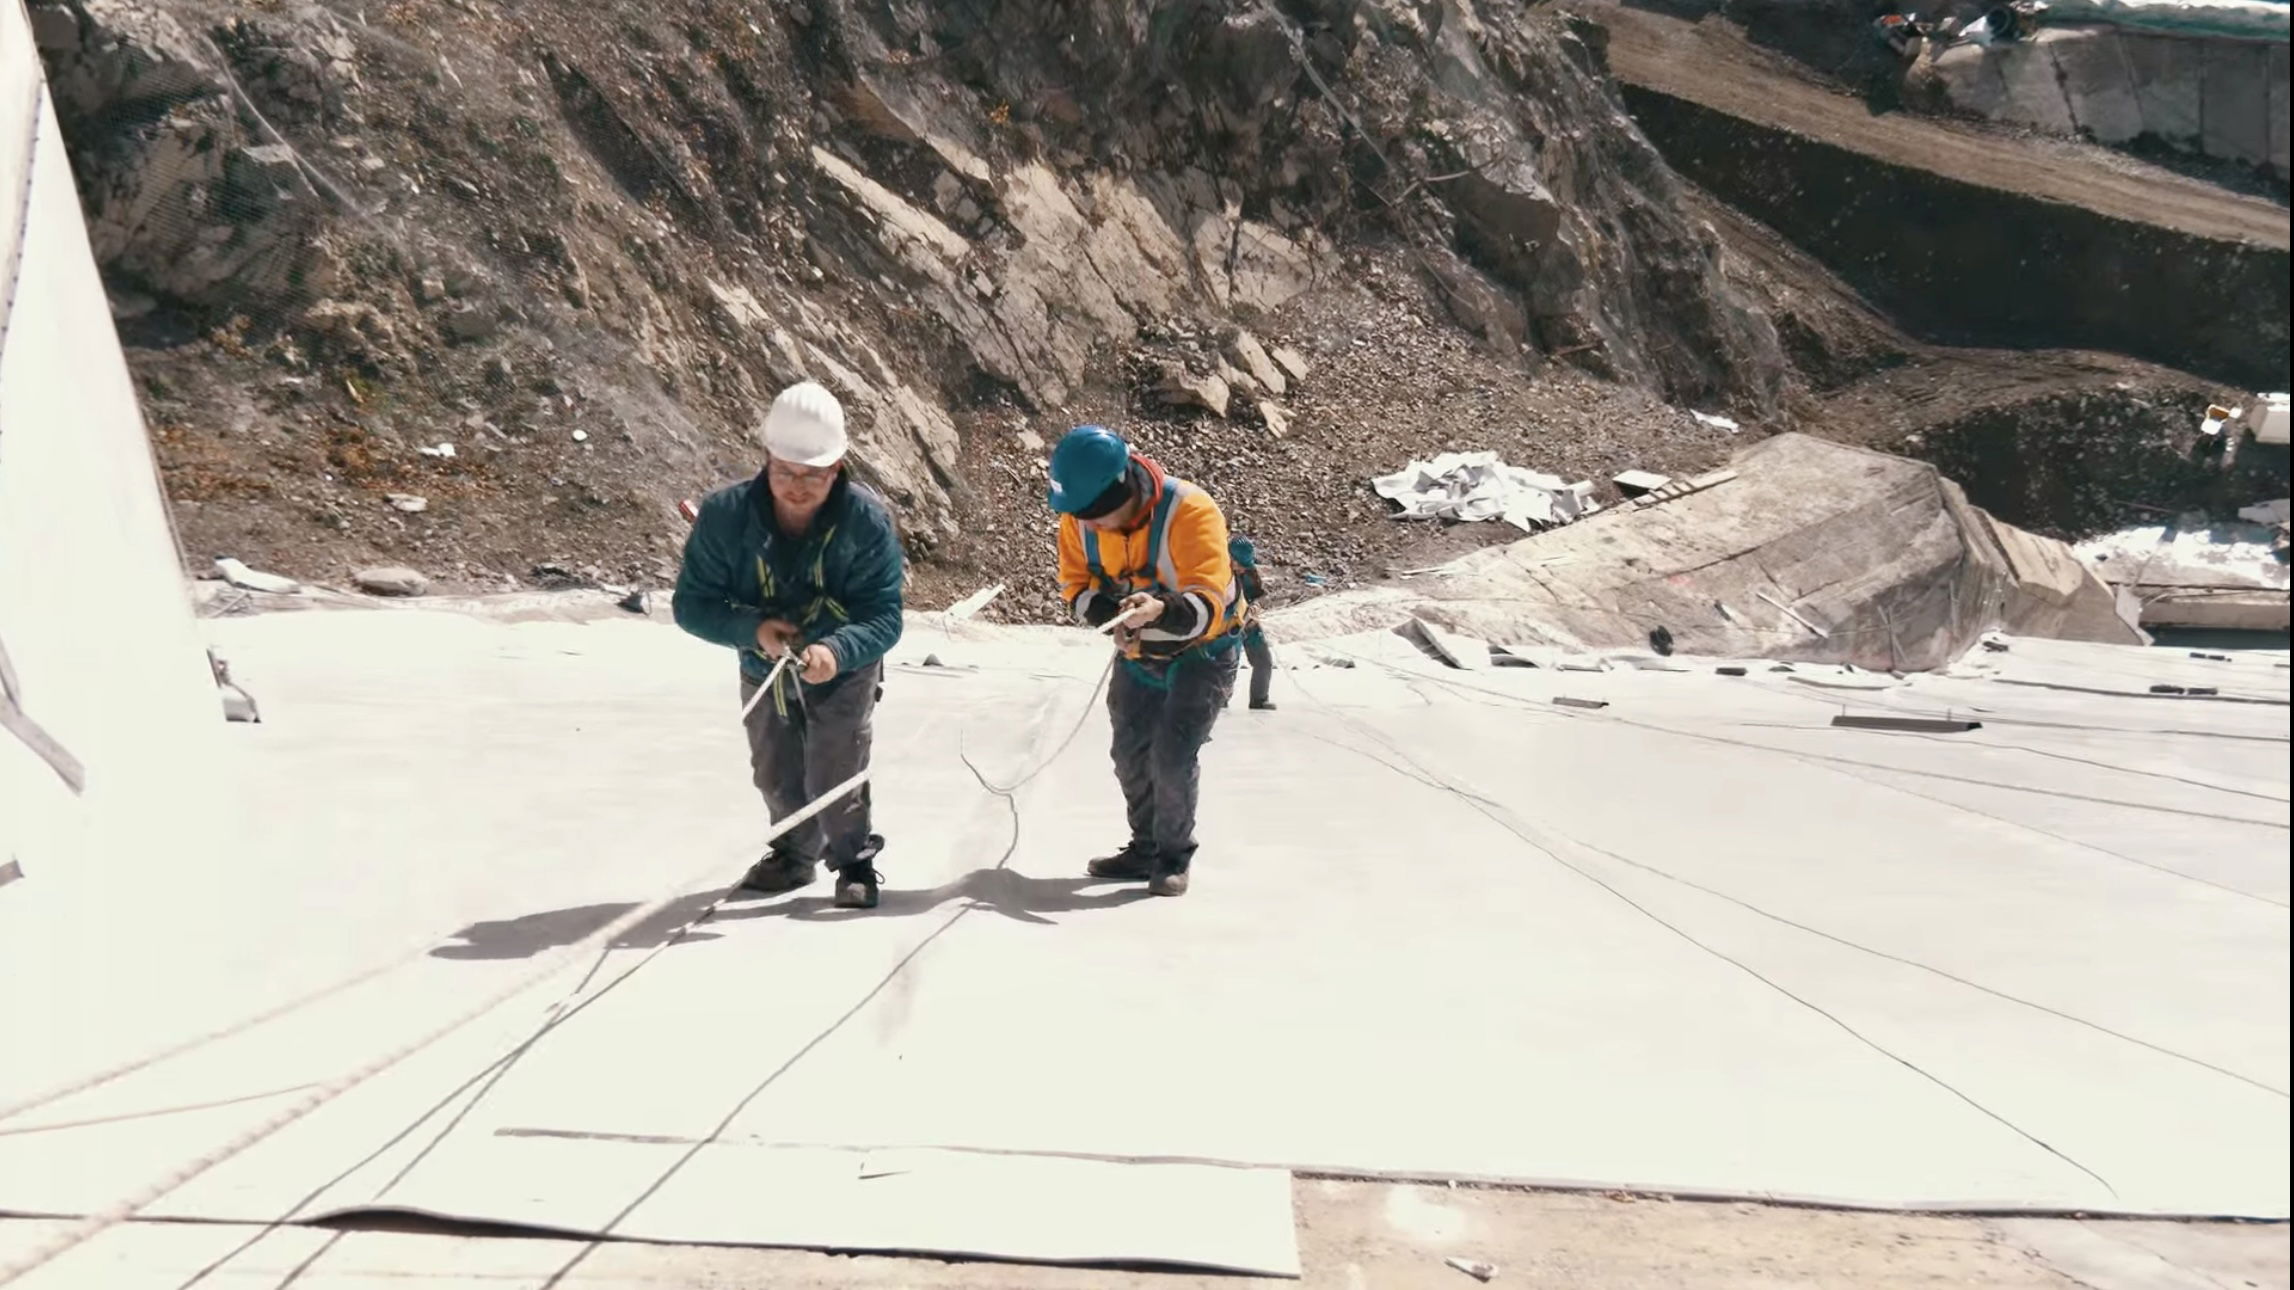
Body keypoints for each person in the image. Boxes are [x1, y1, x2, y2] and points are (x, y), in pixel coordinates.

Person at [672, 381, 905, 909]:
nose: (798, 487)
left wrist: (838, 651)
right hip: (763, 661)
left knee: (837, 759)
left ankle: (853, 862)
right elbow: (693, 604)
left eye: (813, 475)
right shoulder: (725, 517)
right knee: (773, 765)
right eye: (786, 472)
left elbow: (884, 615)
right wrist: (754, 631)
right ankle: (793, 855)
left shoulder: (866, 522)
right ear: (767, 458)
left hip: (844, 662)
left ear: (838, 467)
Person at [1048, 425, 1245, 897]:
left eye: (1097, 516)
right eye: (1081, 517)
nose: (1088, 526)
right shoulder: (1078, 517)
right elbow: (1075, 585)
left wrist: (1160, 609)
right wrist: (1104, 614)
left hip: (1204, 651)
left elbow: (1206, 602)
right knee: (1131, 754)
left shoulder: (1191, 511)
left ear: (1127, 489)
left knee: (1172, 757)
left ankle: (1173, 856)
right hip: (1138, 654)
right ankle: (1145, 847)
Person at [1228, 534, 1278, 711]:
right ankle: (1219, 701)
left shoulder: (1249, 572)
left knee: (1263, 660)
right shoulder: (1219, 574)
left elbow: (1260, 595)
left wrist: (1256, 606)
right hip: (1227, 625)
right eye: (1238, 564)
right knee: (1227, 663)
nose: (1241, 568)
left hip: (1249, 623)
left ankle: (1259, 699)